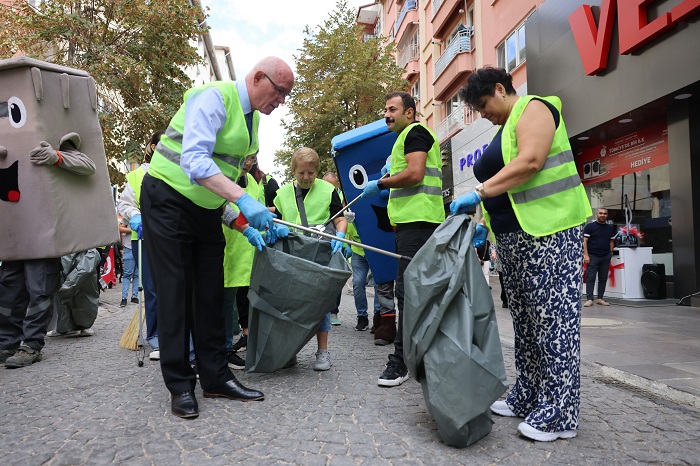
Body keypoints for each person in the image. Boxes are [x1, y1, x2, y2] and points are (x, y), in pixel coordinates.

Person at [140, 56, 293, 419]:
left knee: (209, 293)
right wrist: (242, 199)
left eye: (286, 95)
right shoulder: (214, 97)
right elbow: (194, 161)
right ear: (258, 77)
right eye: (280, 92)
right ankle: (180, 385)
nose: (281, 101)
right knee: (176, 291)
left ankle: (215, 377)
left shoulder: (252, 122)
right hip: (167, 199)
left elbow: (215, 182)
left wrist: (242, 221)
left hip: (204, 210)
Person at [450, 67, 592, 441]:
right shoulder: (507, 127)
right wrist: (486, 225)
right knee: (527, 325)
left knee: (554, 324)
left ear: (501, 88)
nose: (483, 114)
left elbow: (531, 162)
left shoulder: (535, 108)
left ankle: (562, 413)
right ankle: (529, 394)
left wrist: (479, 193)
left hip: (551, 232)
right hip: (517, 239)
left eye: (483, 105)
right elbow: (509, 187)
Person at [361, 91, 445, 387]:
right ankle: (418, 358)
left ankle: (401, 361)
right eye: (385, 109)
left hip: (419, 223)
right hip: (412, 224)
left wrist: (382, 182)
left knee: (407, 293)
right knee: (410, 292)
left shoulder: (415, 132)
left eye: (392, 109)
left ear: (410, 112)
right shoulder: (406, 137)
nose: (387, 114)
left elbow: (416, 173)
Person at [1, 136, 97, 368]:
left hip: (43, 233)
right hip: (15, 232)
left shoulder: (53, 132)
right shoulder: (7, 133)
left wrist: (58, 156)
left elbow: (88, 166)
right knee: (8, 290)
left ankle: (32, 344)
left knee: (39, 289)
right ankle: (7, 343)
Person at [273, 147, 347, 371]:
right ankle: (290, 351)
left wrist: (341, 235)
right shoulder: (282, 194)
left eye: (311, 174)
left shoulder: (328, 190)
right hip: (292, 255)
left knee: (320, 304)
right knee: (290, 304)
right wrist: (276, 228)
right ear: (293, 170)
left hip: (318, 253)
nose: (306, 178)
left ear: (317, 171)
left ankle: (322, 352)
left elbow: (339, 219)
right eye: (301, 173)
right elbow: (275, 219)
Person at [119, 130, 164, 361]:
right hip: (145, 240)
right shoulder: (138, 175)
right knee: (154, 289)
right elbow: (125, 204)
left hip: (171, 238)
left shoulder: (178, 171)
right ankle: (156, 337)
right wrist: (135, 217)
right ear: (154, 147)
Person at [230, 156, 281, 353]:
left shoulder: (252, 181)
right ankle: (221, 350)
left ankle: (247, 338)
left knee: (245, 296)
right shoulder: (222, 177)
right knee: (225, 303)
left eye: (252, 158)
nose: (248, 162)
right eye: (244, 157)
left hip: (248, 247)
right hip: (228, 247)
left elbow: (256, 209)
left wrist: (267, 228)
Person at [322, 171, 345, 326]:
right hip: (321, 242)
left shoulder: (343, 196)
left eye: (333, 186)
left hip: (336, 242)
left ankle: (334, 312)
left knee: (334, 280)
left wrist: (344, 239)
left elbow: (341, 220)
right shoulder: (319, 194)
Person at [583, 208, 616, 307]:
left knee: (603, 278)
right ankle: (589, 299)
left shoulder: (610, 228)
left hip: (605, 256)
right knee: (591, 277)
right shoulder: (589, 227)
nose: (603, 215)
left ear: (607, 215)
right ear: (596, 214)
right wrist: (586, 255)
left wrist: (610, 252)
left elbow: (611, 241)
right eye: (600, 213)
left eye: (605, 214)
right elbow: (585, 241)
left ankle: (600, 298)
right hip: (592, 256)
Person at [118, 220, 139, 307]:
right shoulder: (128, 215)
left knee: (137, 275)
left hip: (141, 247)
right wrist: (133, 230)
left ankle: (134, 296)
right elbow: (119, 228)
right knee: (127, 274)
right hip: (129, 247)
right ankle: (124, 298)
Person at [473, 217, 491, 286]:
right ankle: (486, 285)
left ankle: (484, 285)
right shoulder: (487, 242)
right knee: (485, 273)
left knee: (483, 273)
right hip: (485, 259)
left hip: (481, 259)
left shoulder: (485, 242)